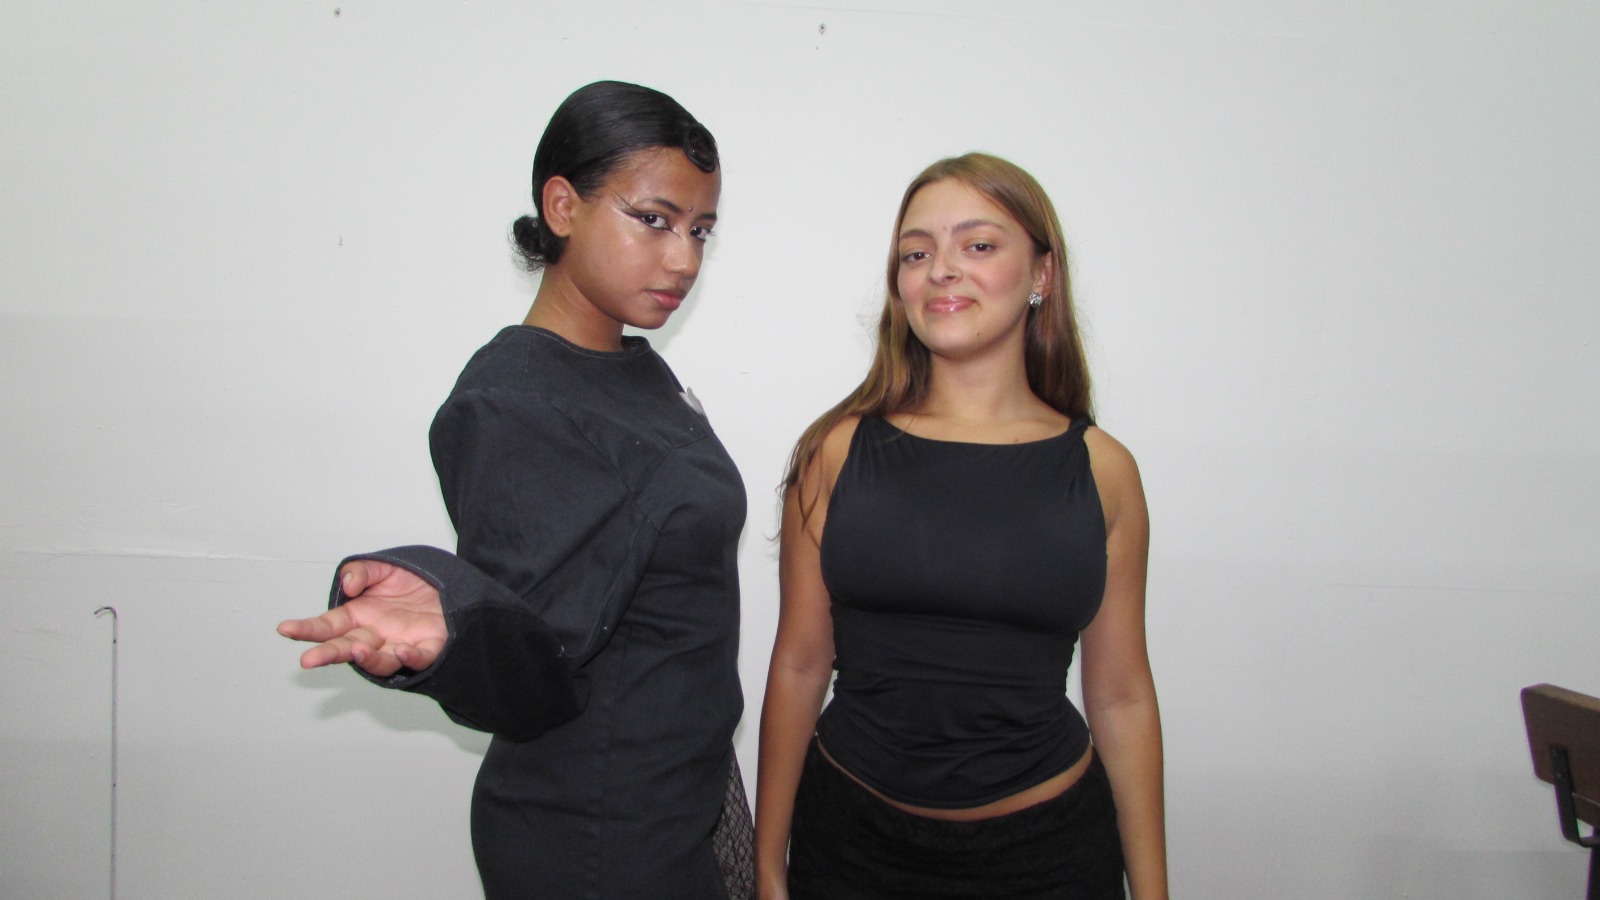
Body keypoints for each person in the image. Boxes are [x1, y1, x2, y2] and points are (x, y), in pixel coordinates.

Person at [278, 81, 753, 900]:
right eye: (654, 219)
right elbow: (535, 670)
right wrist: (455, 629)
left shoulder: (631, 370)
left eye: (699, 230)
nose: (683, 259)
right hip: (600, 839)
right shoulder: (515, 401)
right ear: (562, 206)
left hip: (677, 800)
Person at [755, 153, 1166, 899]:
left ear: (1043, 274)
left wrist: (1154, 892)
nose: (941, 269)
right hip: (850, 847)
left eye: (977, 245)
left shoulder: (1104, 471)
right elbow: (800, 665)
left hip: (1047, 859)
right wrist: (767, 866)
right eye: (917, 253)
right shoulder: (836, 454)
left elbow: (1122, 696)